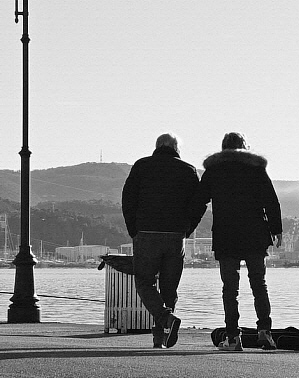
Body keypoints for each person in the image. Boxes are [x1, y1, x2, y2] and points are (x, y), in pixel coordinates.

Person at [120, 133, 207, 348]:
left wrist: (134, 229)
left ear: (157, 146)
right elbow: (199, 204)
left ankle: (164, 321)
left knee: (144, 281)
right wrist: (187, 230)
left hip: (146, 233)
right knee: (170, 287)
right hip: (175, 236)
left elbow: (127, 199)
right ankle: (162, 335)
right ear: (177, 148)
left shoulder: (141, 166)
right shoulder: (188, 170)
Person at [200, 132, 284, 351]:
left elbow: (199, 200)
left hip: (226, 235)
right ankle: (265, 332)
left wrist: (187, 226)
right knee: (259, 284)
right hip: (255, 234)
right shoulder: (256, 168)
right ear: (245, 147)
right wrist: (277, 231)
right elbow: (271, 201)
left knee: (230, 289)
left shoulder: (214, 170)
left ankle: (233, 338)